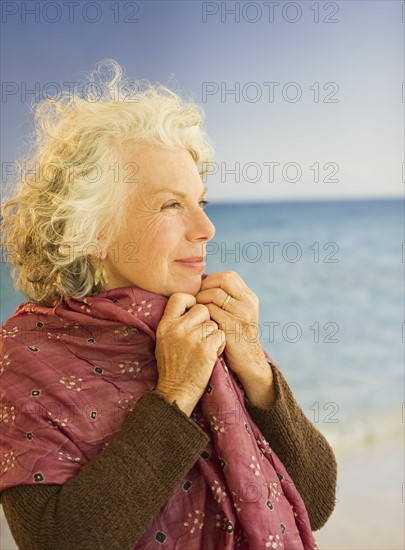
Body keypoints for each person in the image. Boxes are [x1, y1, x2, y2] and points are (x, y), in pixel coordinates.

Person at [0, 60, 337, 550]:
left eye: (202, 202)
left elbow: (317, 499)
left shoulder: (200, 326)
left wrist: (256, 368)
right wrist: (175, 392)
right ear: (94, 230)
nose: (205, 228)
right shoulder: (23, 356)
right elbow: (58, 540)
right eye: (171, 205)